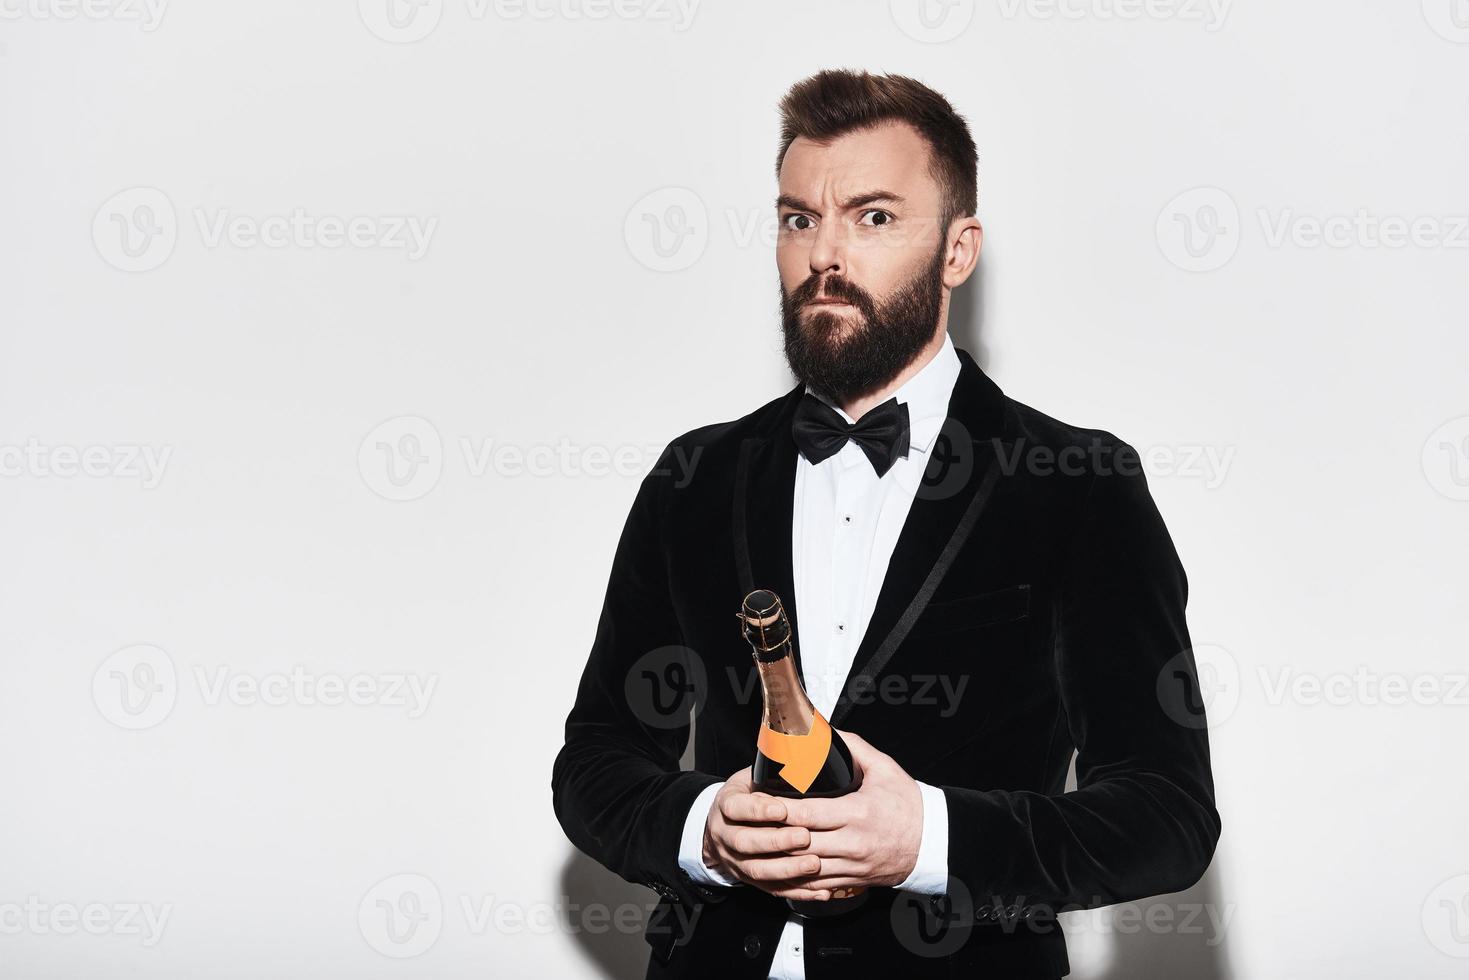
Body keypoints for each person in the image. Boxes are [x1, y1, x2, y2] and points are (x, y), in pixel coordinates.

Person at [552, 68, 1220, 979]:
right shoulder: (693, 476)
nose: (824, 253)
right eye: (798, 219)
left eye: (872, 218)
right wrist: (699, 829)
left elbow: (1166, 818)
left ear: (957, 251)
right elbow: (596, 762)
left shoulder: (1080, 485)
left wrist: (929, 840)